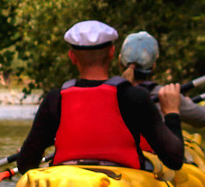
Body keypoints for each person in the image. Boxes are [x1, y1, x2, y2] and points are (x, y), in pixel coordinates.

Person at [12, 20, 186, 176]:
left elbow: (26, 165)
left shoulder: (55, 99)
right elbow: (174, 160)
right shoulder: (134, 96)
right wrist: (172, 113)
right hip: (122, 181)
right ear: (111, 53)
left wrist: (33, 152)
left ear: (72, 57)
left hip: (66, 180)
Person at [120, 31, 205, 130]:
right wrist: (184, 103)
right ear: (154, 65)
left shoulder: (107, 92)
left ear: (120, 60)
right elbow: (204, 118)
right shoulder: (164, 95)